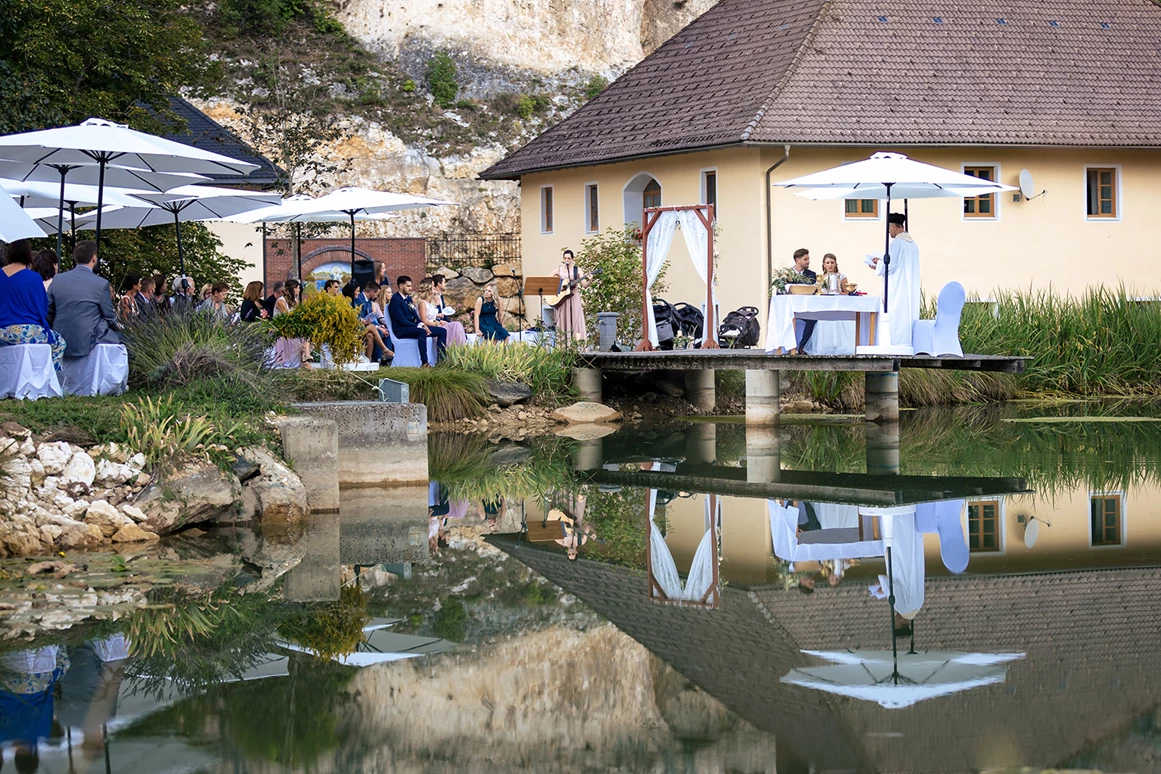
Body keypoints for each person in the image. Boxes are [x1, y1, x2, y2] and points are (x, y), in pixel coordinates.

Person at [47, 240, 120, 361]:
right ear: (94, 258)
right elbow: (109, 317)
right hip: (88, 342)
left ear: (75, 257)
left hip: (59, 339)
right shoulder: (101, 284)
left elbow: (48, 311)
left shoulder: (57, 279)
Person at [0, 239, 66, 370]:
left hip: (2, 331)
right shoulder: (34, 277)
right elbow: (42, 309)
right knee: (59, 343)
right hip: (27, 332)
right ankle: (46, 376)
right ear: (27, 255)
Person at [869, 212, 921, 347]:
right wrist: (881, 263)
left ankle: (896, 344)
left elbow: (891, 266)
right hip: (909, 286)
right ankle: (908, 343)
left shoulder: (897, 243)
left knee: (897, 316)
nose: (888, 232)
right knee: (907, 315)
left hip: (898, 287)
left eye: (889, 228)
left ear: (893, 226)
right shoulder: (913, 244)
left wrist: (878, 263)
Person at [389, 275, 445, 366]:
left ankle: (441, 360)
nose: (410, 288)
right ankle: (424, 362)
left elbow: (415, 315)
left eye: (411, 286)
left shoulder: (408, 298)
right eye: (408, 286)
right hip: (401, 329)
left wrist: (422, 324)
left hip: (412, 327)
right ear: (401, 286)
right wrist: (419, 326)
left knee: (442, 331)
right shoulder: (395, 300)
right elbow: (401, 320)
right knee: (422, 331)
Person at [418, 277, 467, 346]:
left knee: (457, 324)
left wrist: (440, 321)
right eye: (433, 287)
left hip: (436, 324)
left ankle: (460, 347)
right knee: (450, 328)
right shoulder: (422, 303)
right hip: (430, 327)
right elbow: (424, 321)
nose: (434, 288)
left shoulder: (430, 303)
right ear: (428, 289)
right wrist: (437, 324)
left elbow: (433, 317)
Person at [553, 248, 588, 343]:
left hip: (574, 297)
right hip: (562, 299)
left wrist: (590, 280)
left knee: (576, 319)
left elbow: (584, 285)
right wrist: (559, 286)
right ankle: (563, 344)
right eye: (565, 258)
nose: (566, 260)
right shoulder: (559, 269)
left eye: (568, 258)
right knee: (563, 320)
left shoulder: (577, 270)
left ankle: (577, 344)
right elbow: (548, 280)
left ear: (572, 259)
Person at [357, 281, 393, 363]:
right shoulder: (359, 299)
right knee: (379, 332)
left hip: (368, 327)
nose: (377, 296)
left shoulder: (369, 302)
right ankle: (380, 355)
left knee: (372, 335)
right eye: (376, 294)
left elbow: (371, 318)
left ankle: (369, 360)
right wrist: (377, 327)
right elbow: (361, 317)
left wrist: (378, 326)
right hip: (359, 327)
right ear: (372, 292)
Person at [791, 248, 818, 351]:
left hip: (805, 307)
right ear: (797, 260)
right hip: (791, 307)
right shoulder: (787, 274)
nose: (808, 261)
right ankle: (789, 347)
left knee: (813, 318)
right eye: (805, 259)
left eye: (808, 259)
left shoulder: (811, 274)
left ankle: (803, 346)